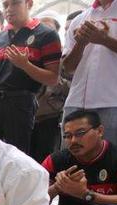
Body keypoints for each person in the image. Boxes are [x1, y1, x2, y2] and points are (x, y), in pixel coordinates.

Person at [0, 0, 61, 154]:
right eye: (5, 5)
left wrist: (25, 65)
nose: (8, 9)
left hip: (21, 101)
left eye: (14, 3)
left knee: (17, 154)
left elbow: (53, 78)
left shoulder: (46, 35)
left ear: (29, 4)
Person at [42, 110, 117, 205]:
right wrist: (57, 187)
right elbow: (32, 200)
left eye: (80, 133)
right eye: (67, 136)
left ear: (100, 131)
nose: (73, 141)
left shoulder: (116, 157)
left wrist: (86, 195)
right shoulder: (56, 160)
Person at [62, 0, 117, 145]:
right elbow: (67, 68)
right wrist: (80, 43)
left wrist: (104, 40)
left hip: (113, 102)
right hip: (75, 101)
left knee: (111, 161)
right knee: (70, 159)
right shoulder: (80, 19)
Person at [30, 14, 69, 163]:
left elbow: (70, 84)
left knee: (45, 159)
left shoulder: (64, 54)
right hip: (27, 115)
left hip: (49, 116)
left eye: (49, 28)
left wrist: (54, 80)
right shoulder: (29, 53)